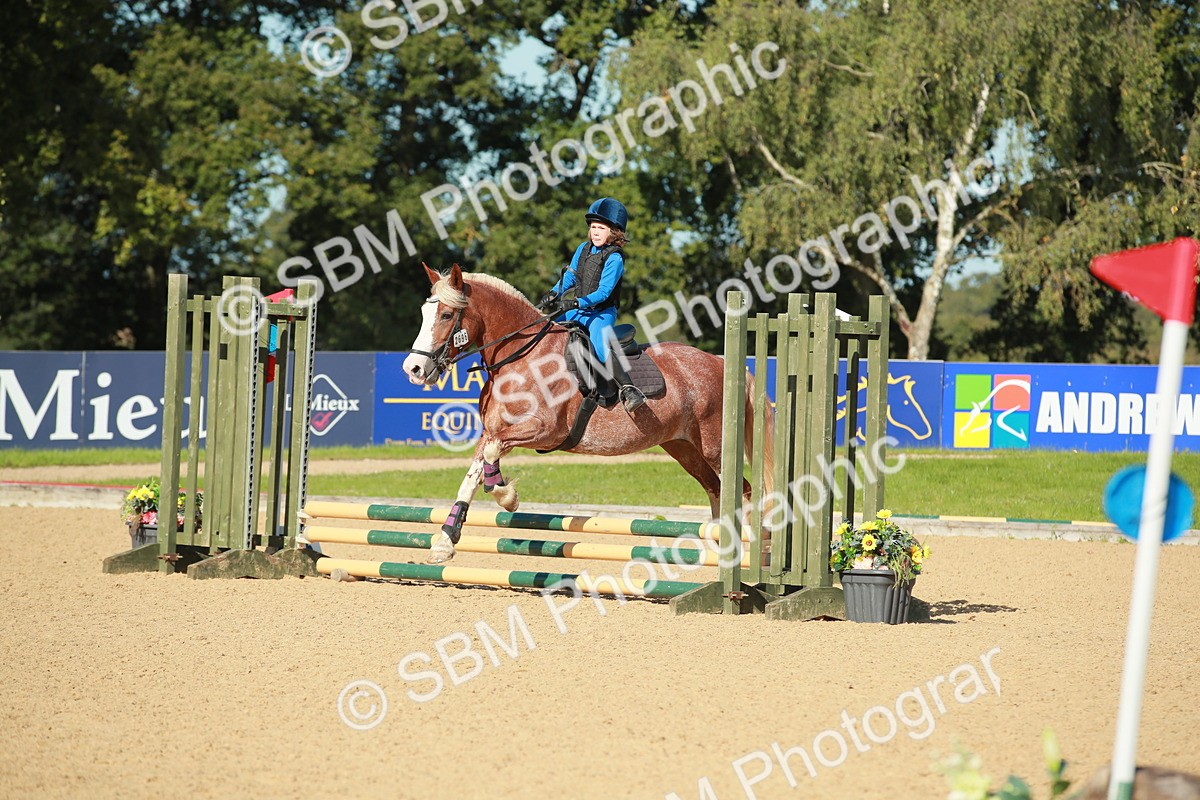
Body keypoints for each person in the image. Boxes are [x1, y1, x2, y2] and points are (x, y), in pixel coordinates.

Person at [540, 197, 646, 412]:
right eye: (593, 227)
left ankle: (628, 389)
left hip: (601, 313)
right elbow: (569, 277)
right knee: (547, 330)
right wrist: (553, 292)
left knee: (598, 345)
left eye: (601, 228)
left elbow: (604, 292)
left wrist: (577, 301)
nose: (595, 232)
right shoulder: (583, 248)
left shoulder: (615, 258)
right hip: (577, 310)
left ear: (614, 232)